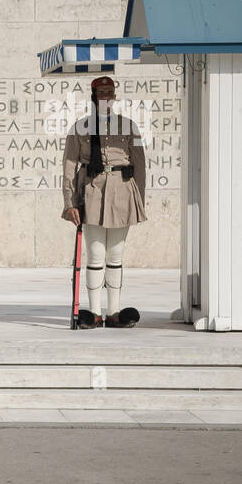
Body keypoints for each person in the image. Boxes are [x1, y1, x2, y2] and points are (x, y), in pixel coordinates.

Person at [61, 75, 147, 328]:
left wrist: (138, 198)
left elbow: (139, 164)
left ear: (115, 96)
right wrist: (70, 203)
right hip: (93, 192)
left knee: (116, 254)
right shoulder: (80, 128)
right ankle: (95, 312)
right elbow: (69, 167)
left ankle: (114, 311)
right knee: (96, 254)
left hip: (122, 191)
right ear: (93, 96)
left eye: (110, 92)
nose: (106, 97)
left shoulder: (130, 126)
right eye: (101, 93)